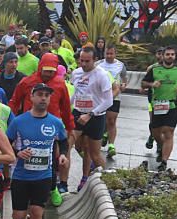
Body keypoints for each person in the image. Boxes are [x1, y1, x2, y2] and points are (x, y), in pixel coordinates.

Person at [7, 84, 70, 219]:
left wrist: (64, 155)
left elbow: (64, 141)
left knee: (37, 212)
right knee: (19, 215)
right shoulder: (18, 121)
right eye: (40, 95)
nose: (43, 98)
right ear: (32, 98)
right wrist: (17, 152)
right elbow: (6, 143)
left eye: (46, 96)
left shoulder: (55, 122)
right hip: (20, 176)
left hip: (43, 176)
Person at [9, 52, 73, 202]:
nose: (48, 74)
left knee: (51, 160)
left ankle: (52, 188)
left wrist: (70, 127)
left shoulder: (59, 84)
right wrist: (11, 121)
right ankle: (23, 202)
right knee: (25, 160)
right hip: (27, 128)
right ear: (40, 68)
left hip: (51, 128)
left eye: (52, 71)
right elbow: (14, 102)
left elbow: (66, 108)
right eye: (46, 71)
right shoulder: (27, 82)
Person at [142, 46, 177, 172]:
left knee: (168, 132)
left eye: (172, 54)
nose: (170, 56)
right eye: (168, 54)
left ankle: (164, 161)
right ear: (162, 56)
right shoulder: (154, 70)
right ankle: (160, 145)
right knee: (156, 132)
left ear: (175, 56)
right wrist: (152, 84)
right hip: (157, 104)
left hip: (172, 104)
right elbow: (143, 83)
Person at [69, 47, 113, 189]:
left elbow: (108, 101)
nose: (83, 64)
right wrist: (65, 109)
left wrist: (90, 114)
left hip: (95, 117)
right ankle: (68, 179)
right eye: (81, 60)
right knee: (74, 146)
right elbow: (75, 94)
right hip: (77, 113)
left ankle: (105, 182)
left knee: (94, 153)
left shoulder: (102, 75)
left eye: (87, 61)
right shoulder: (76, 73)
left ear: (94, 60)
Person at [97, 45, 126, 158]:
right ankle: (102, 137)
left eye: (111, 54)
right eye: (107, 54)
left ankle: (111, 145)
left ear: (115, 54)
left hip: (115, 96)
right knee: (101, 120)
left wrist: (123, 85)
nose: (109, 56)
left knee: (112, 121)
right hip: (100, 96)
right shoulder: (98, 64)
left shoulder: (120, 65)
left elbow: (124, 78)